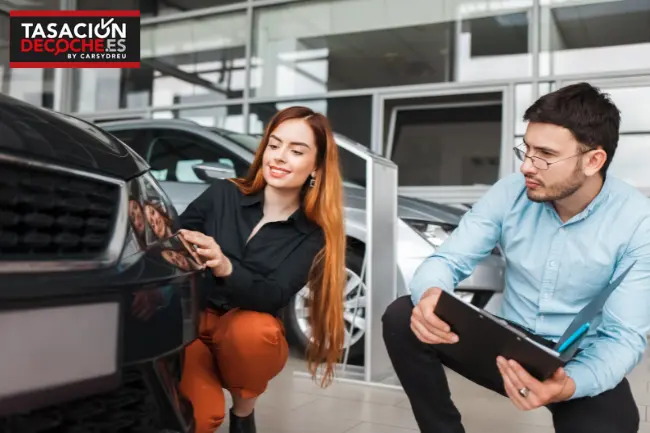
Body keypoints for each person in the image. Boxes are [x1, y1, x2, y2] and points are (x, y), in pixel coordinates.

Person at [382, 82, 650, 433]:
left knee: (615, 422)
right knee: (404, 316)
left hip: (575, 360)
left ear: (593, 160)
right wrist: (431, 294)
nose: (527, 166)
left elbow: (623, 337)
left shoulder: (638, 223)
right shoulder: (511, 192)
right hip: (506, 343)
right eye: (526, 150)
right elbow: (446, 261)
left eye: (546, 155)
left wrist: (567, 385)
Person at [177, 106, 347, 433]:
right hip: (192, 324)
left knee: (255, 331)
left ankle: (243, 411)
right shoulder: (222, 194)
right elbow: (173, 239)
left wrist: (225, 264)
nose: (280, 157)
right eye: (274, 145)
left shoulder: (313, 235)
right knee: (200, 418)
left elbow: (273, 295)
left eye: (296, 151)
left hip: (247, 334)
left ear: (317, 167)